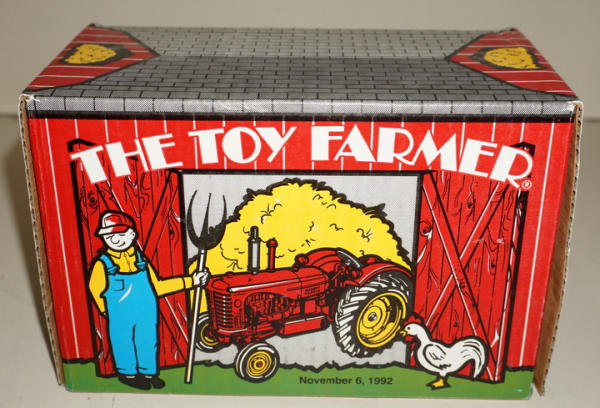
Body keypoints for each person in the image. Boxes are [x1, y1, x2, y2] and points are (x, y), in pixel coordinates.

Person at [88, 211, 208, 390]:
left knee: (148, 341)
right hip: (120, 315)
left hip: (146, 312)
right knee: (123, 342)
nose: (116, 239)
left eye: (121, 234)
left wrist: (192, 281)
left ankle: (149, 373)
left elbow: (158, 286)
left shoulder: (140, 260)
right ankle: (129, 375)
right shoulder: (103, 264)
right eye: (110, 236)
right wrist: (105, 310)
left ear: (131, 234)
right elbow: (95, 289)